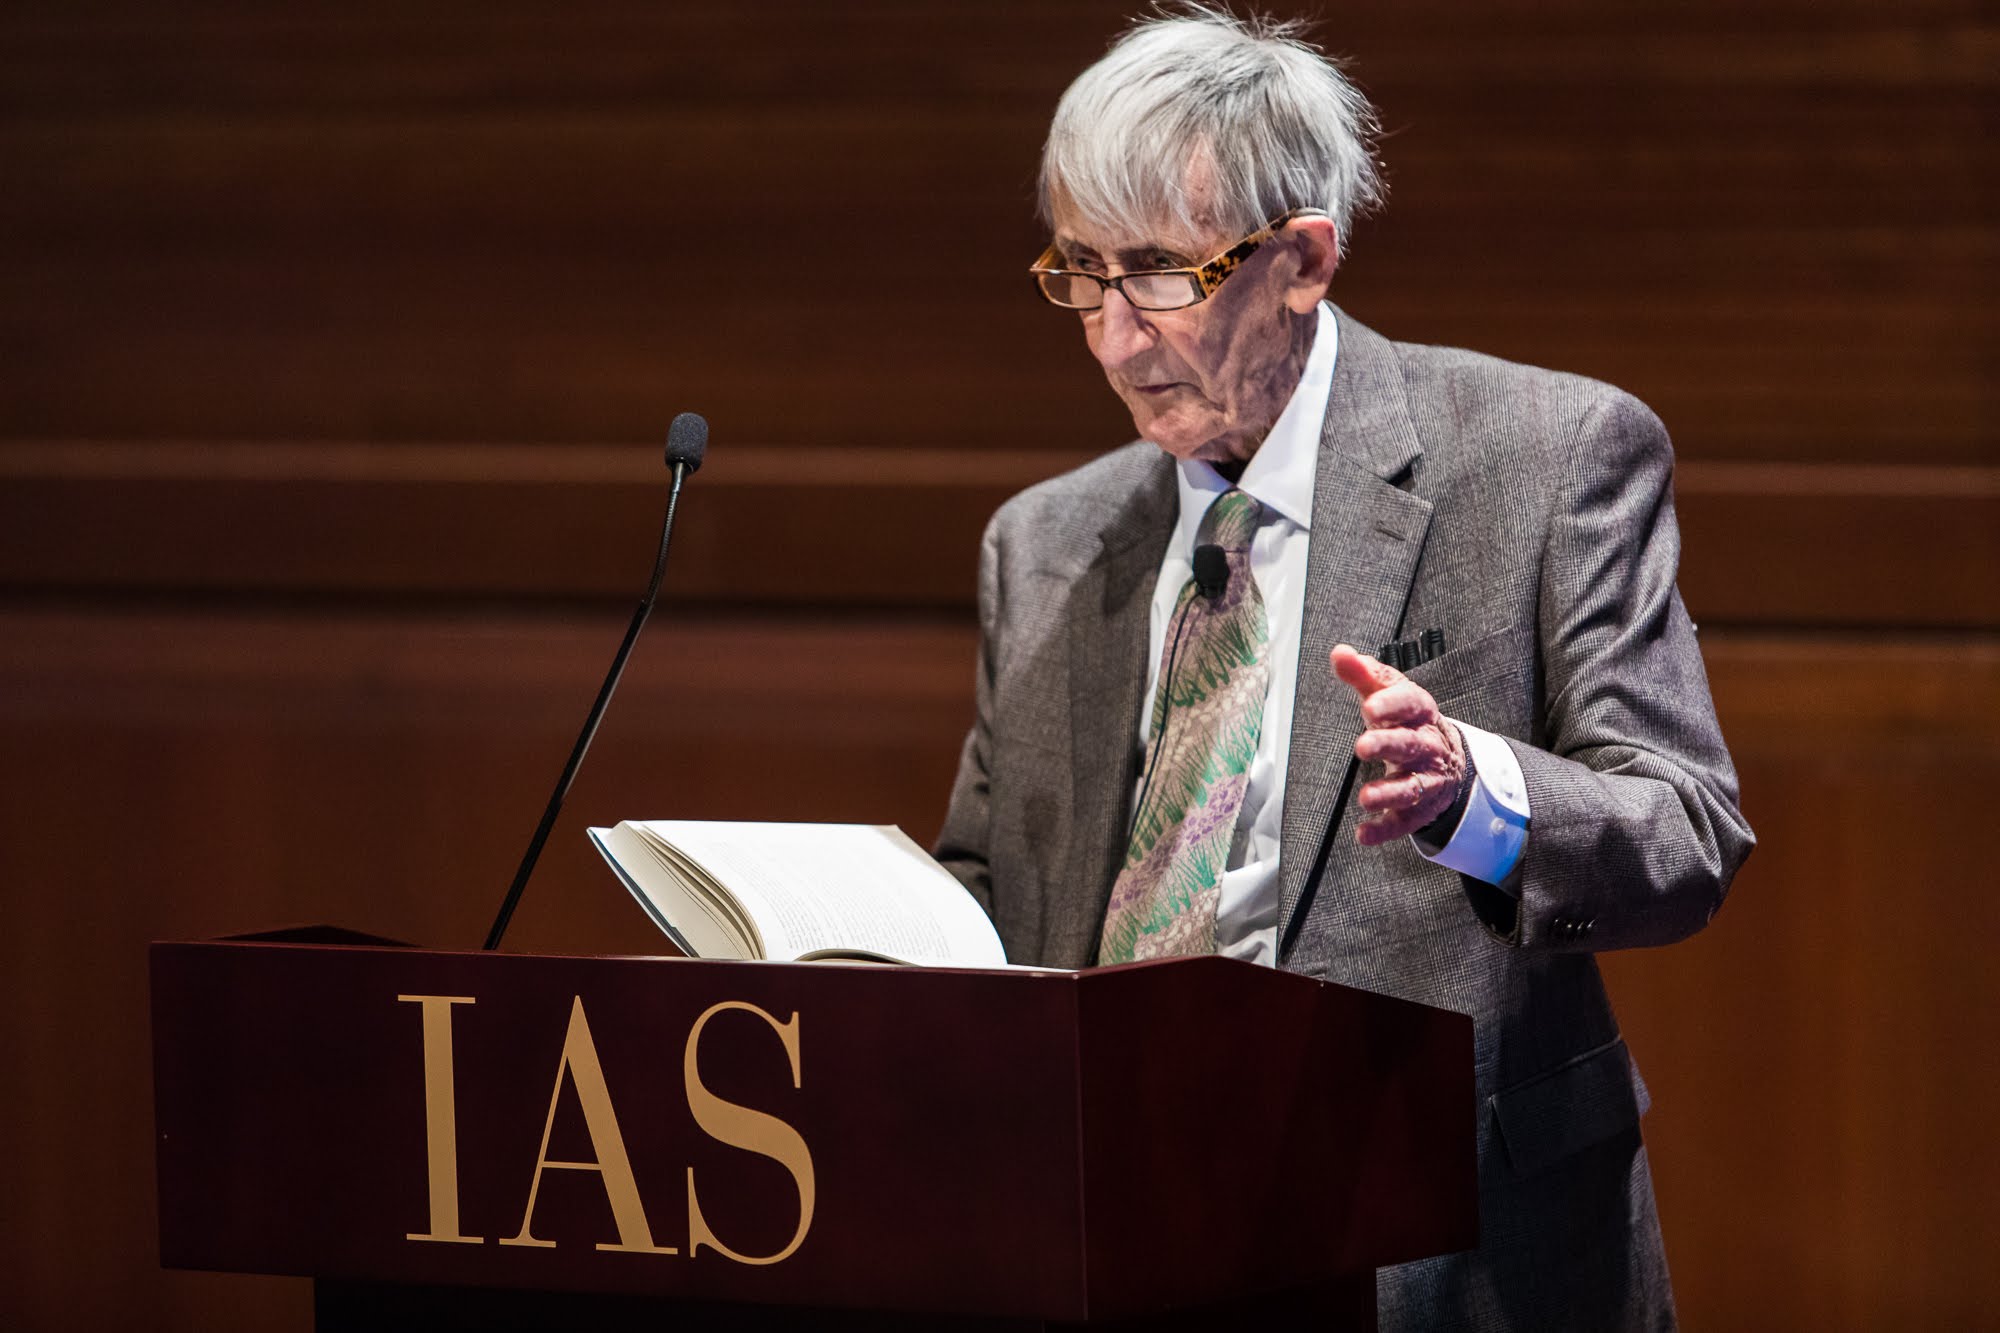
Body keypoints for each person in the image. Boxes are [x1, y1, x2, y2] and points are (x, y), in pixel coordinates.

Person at [932, 7, 1754, 1329]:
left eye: (1158, 275)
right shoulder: (1046, 543)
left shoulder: (1545, 460)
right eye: (1080, 271)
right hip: (1121, 1229)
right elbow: (990, 886)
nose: (1109, 336)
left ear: (1302, 260)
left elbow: (1688, 830)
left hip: (1449, 1257)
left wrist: (1474, 795)